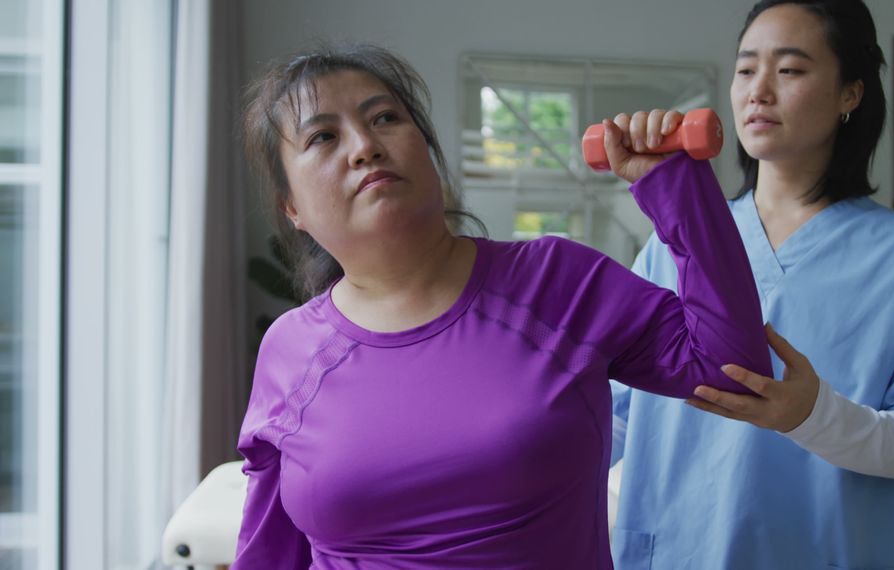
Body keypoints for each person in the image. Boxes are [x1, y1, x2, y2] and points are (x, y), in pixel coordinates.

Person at [233, 45, 770, 569]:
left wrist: (675, 186)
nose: (364, 146)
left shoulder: (557, 282)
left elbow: (731, 369)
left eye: (385, 118)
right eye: (323, 136)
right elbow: (268, 555)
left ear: (428, 150)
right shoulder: (290, 350)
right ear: (292, 208)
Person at [609, 1, 894, 569]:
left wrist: (813, 416)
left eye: (789, 70)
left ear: (849, 94)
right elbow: (611, 414)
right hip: (676, 552)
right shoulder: (671, 243)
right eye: (744, 69)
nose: (758, 90)